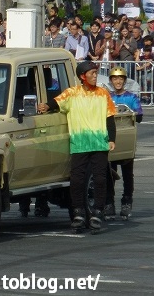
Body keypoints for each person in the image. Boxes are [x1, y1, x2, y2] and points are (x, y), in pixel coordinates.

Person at [37, 61, 116, 232]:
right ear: (82, 76)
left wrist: (111, 139)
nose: (95, 76)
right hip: (79, 144)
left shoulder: (103, 94)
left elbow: (110, 118)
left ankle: (97, 212)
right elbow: (56, 103)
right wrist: (45, 106)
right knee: (77, 179)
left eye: (96, 73)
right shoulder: (71, 94)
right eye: (92, 73)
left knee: (100, 179)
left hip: (99, 143)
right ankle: (78, 212)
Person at [105, 67, 143, 220]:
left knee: (127, 173)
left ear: (125, 81)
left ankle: (127, 201)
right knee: (109, 173)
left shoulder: (132, 98)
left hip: (126, 139)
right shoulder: (107, 97)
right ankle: (109, 202)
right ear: (111, 81)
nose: (118, 81)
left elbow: (139, 116)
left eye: (121, 78)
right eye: (115, 79)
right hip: (111, 139)